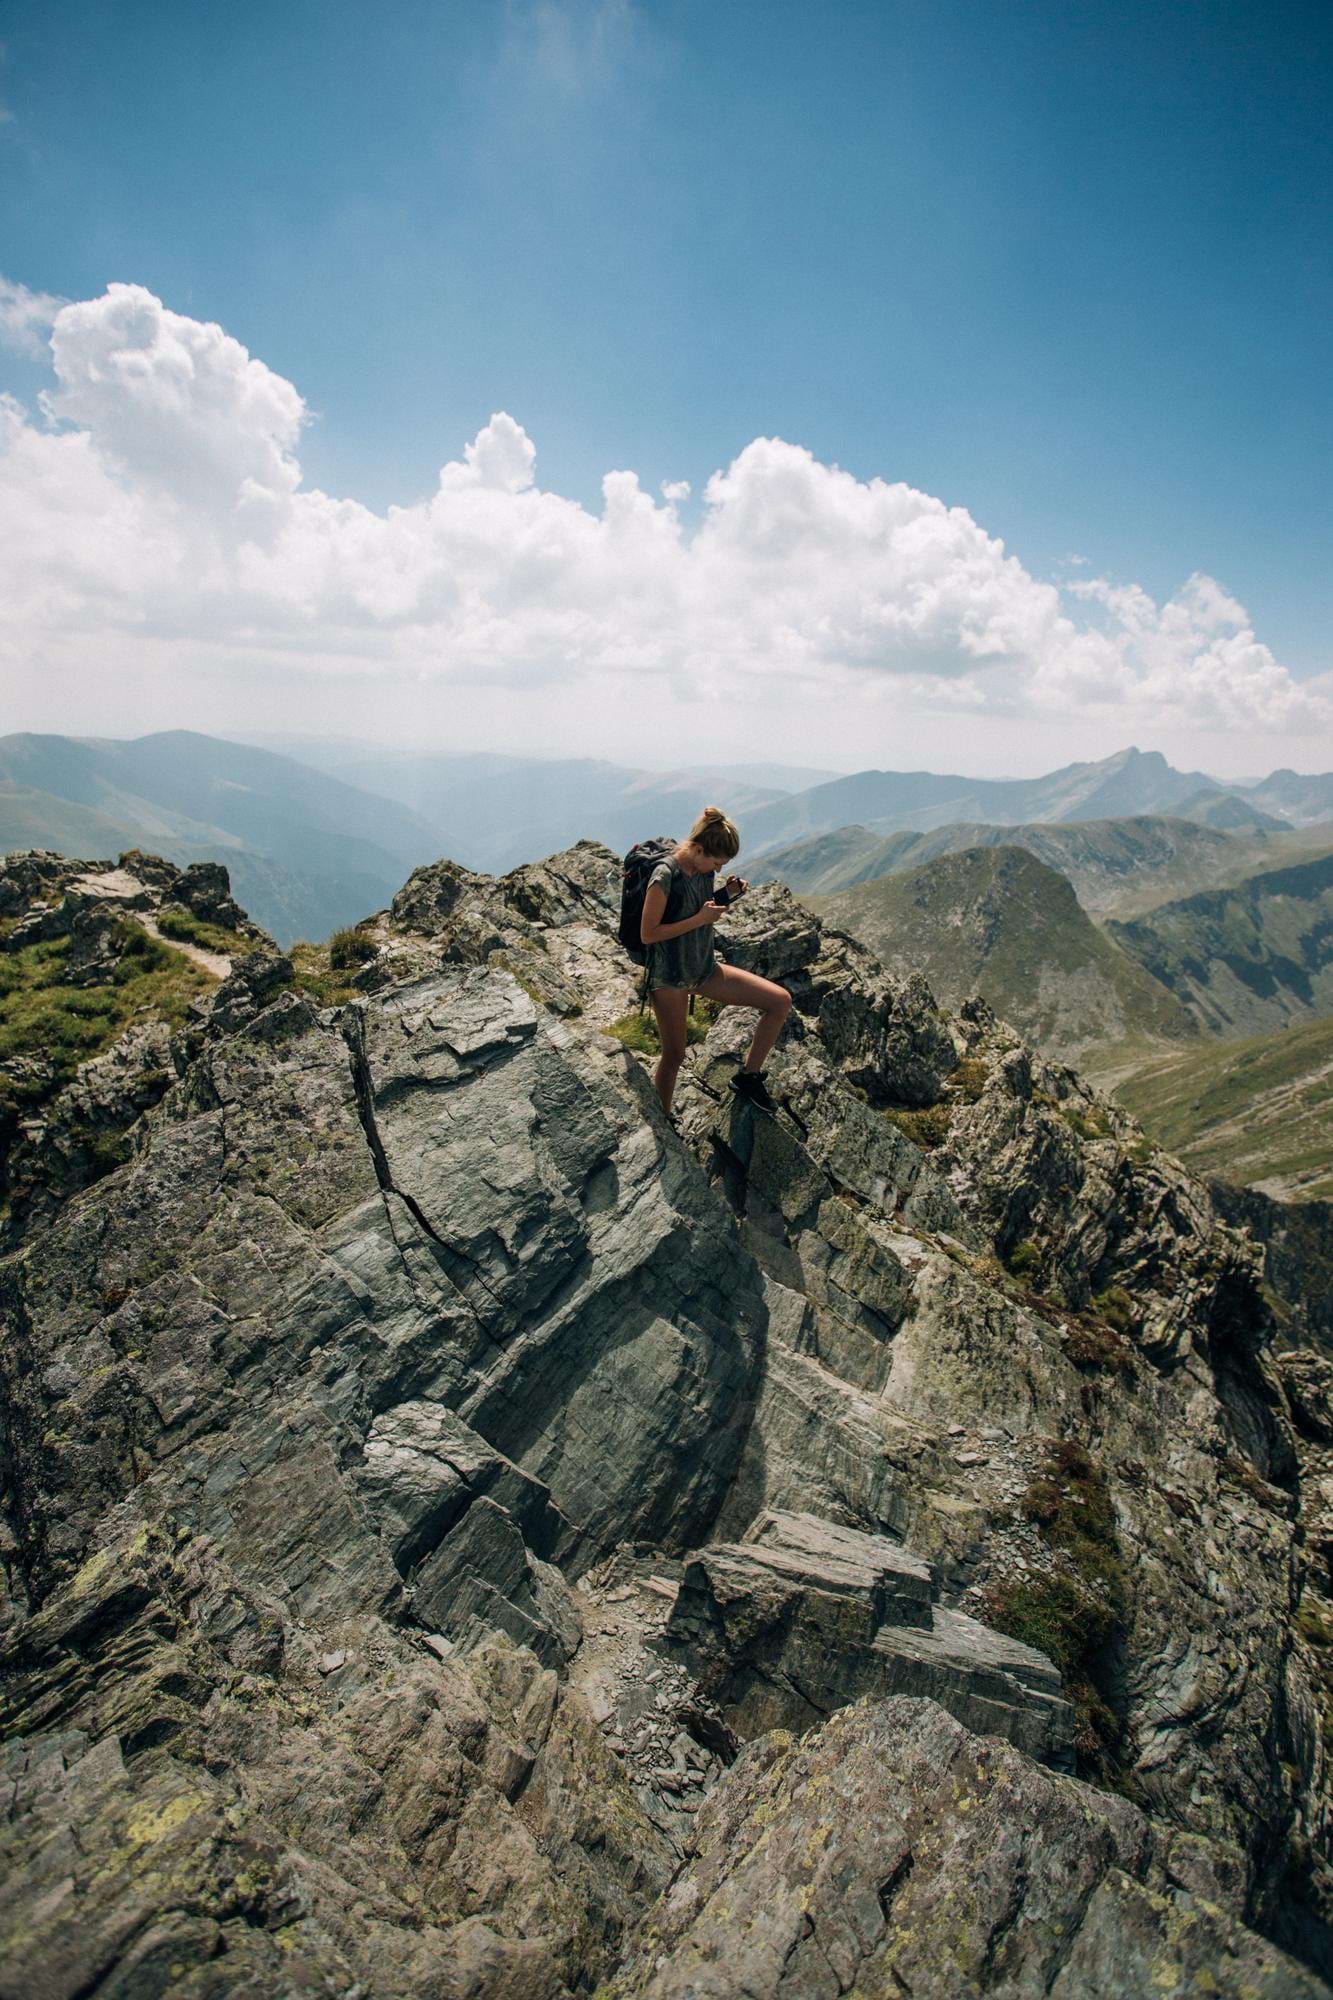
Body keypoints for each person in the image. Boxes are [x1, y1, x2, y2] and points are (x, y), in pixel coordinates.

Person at [639, 804, 793, 1118]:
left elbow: (700, 908)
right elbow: (648, 933)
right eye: (716, 862)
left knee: (780, 1001)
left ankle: (748, 1078)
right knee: (675, 1055)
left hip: (703, 969)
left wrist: (726, 895)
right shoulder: (664, 875)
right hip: (669, 978)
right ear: (697, 849)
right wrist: (701, 919)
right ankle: (663, 1119)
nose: (719, 870)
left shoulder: (703, 870)